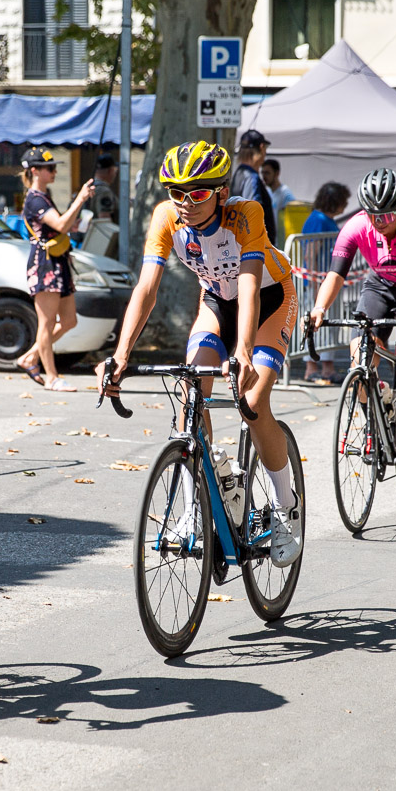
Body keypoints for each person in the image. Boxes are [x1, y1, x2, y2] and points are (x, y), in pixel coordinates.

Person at [98, 141, 304, 567]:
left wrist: (244, 351)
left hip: (269, 298)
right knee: (192, 396)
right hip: (215, 303)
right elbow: (146, 289)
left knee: (252, 401)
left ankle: (287, 509)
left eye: (197, 193)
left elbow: (248, 285)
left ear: (221, 192)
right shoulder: (166, 218)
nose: (185, 203)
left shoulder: (245, 214)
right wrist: (119, 356)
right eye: (177, 193)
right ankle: (201, 505)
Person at [308, 167, 396, 460]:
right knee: (361, 353)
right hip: (379, 286)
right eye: (373, 215)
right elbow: (335, 275)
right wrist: (319, 308)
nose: (380, 222)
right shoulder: (354, 227)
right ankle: (375, 425)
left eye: (388, 216)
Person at [17, 146, 94, 392]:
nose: (54, 172)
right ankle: (51, 377)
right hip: (45, 264)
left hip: (58, 261)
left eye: (54, 167)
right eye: (49, 168)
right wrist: (80, 199)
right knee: (47, 323)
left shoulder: (45, 196)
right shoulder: (35, 199)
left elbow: (62, 226)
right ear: (35, 171)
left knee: (69, 320)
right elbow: (60, 224)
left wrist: (79, 221)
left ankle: (30, 357)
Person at [300, 181, 350, 383]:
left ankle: (324, 368)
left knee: (326, 327)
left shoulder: (322, 219)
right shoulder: (319, 220)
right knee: (319, 327)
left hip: (323, 281)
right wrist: (313, 286)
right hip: (318, 283)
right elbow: (310, 253)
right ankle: (315, 368)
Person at [233, 129, 278, 244]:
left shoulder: (238, 173)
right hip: (255, 248)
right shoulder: (251, 177)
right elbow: (252, 214)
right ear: (262, 148)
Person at [260, 157, 296, 245]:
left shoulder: (286, 194)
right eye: (263, 173)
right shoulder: (266, 193)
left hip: (281, 243)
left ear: (277, 173)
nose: (264, 177)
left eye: (267, 173)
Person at [89, 152, 119, 226]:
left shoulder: (89, 188)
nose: (115, 174)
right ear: (110, 171)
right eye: (115, 171)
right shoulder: (104, 192)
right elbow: (105, 221)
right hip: (98, 236)